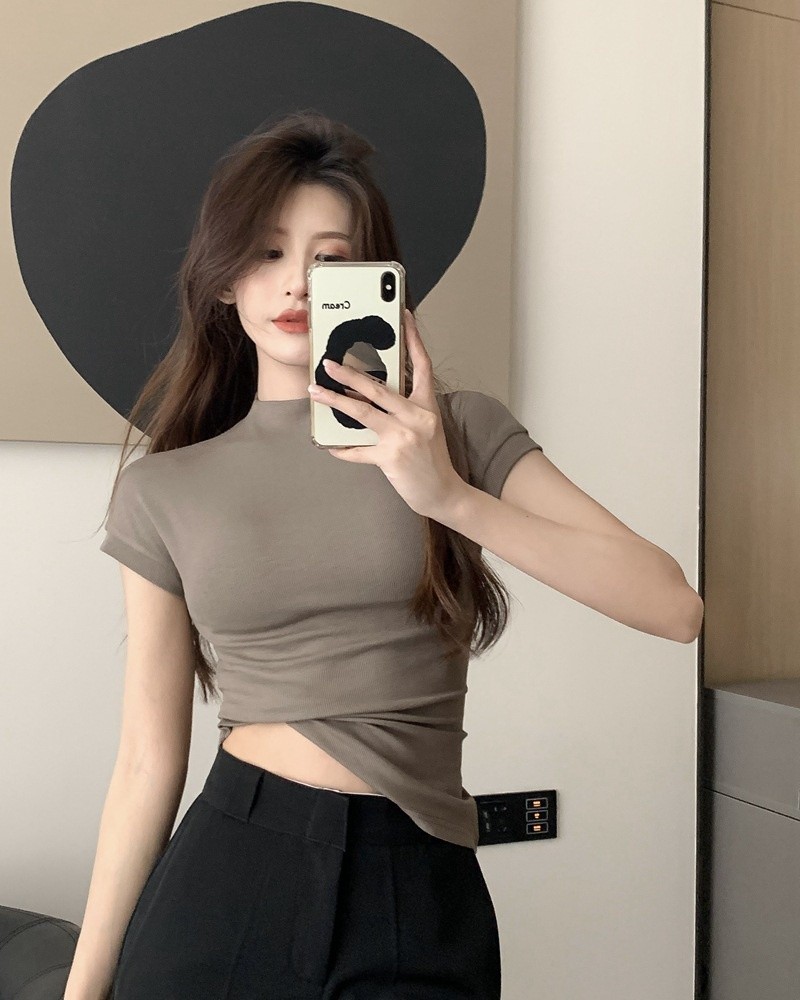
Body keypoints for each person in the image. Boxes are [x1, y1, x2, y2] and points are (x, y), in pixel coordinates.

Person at [66, 108, 551, 999]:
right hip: (229, 868)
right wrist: (83, 988)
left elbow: (674, 606)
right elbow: (145, 760)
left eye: (331, 259)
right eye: (265, 252)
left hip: (416, 879)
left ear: (376, 283)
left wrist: (448, 495)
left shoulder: (459, 435)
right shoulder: (163, 488)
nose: (296, 281)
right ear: (223, 280)